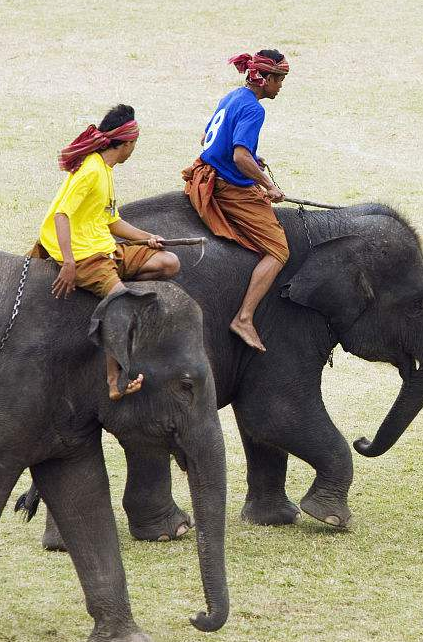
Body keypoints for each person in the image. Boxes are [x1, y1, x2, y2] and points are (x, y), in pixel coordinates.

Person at [30, 104, 180, 399]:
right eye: (134, 144)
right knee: (120, 305)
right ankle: (114, 382)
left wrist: (146, 238)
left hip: (105, 247)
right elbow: (62, 215)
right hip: (86, 255)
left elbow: (111, 220)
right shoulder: (91, 171)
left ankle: (115, 287)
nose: (134, 149)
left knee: (169, 262)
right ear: (126, 143)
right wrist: (69, 263)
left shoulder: (106, 170)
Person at [181, 50, 289, 352]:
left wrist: (253, 157)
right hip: (228, 187)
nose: (280, 86)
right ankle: (244, 317)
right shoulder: (255, 109)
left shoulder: (233, 96)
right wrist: (268, 184)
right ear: (264, 78)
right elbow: (240, 156)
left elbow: (207, 139)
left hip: (207, 170)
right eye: (278, 79)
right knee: (279, 250)